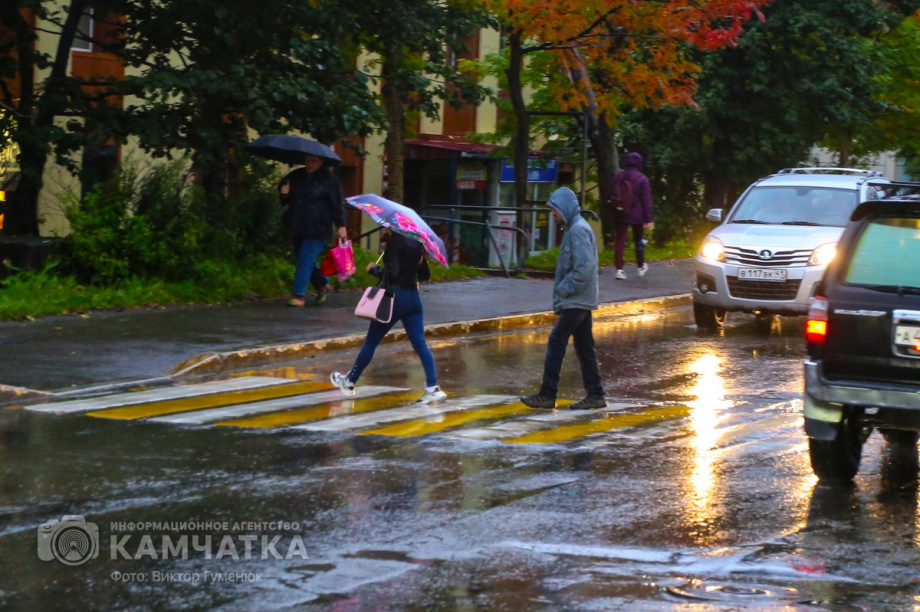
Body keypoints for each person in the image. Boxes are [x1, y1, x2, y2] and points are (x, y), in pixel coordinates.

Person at [330, 230, 447, 404]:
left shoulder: (394, 243)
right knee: (420, 344)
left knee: (371, 342)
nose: (385, 228)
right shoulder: (418, 243)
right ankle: (433, 387)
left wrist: (373, 269)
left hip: (394, 299)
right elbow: (425, 274)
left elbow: (392, 275)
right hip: (413, 299)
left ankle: (349, 382)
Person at [520, 187, 606, 411]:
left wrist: (563, 290)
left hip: (576, 298)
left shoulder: (577, 230)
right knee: (584, 346)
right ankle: (596, 394)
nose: (553, 214)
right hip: (580, 298)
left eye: (554, 210)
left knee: (556, 340)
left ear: (564, 208)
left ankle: (548, 394)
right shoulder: (574, 228)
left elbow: (584, 269)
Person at [279, 153, 348, 307]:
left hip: (319, 226)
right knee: (303, 259)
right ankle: (322, 285)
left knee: (305, 259)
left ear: (321, 161)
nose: (310, 164)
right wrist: (284, 194)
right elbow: (287, 197)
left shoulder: (330, 180)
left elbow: (337, 204)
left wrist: (341, 225)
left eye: (314, 161)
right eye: (308, 161)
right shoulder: (296, 176)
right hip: (298, 224)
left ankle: (298, 295)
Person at [613, 152, 653, 280]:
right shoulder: (642, 179)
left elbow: (610, 194)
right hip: (637, 214)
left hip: (620, 212)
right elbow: (646, 200)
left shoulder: (618, 176)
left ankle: (619, 270)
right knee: (638, 241)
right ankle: (640, 267)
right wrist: (648, 219)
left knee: (620, 241)